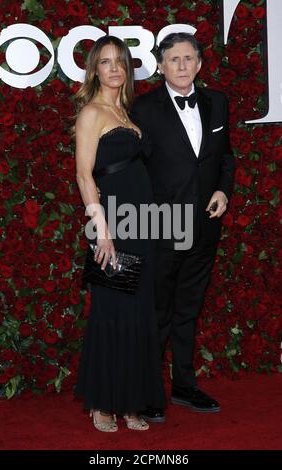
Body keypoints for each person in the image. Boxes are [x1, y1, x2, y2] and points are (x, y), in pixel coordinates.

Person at [132, 32, 235, 422]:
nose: (181, 66)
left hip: (206, 225)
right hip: (162, 224)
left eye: (188, 58)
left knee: (189, 310)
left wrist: (223, 192)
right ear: (160, 65)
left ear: (200, 64)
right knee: (157, 311)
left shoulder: (218, 103)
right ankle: (150, 391)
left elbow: (225, 157)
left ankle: (185, 386)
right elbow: (133, 168)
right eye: (173, 59)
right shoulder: (143, 109)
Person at [73, 35, 165, 432]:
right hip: (113, 225)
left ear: (127, 69)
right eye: (105, 62)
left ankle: (131, 402)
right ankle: (102, 404)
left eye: (120, 62)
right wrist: (102, 231)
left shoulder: (127, 113)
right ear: (94, 69)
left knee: (138, 314)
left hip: (142, 224)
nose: (114, 68)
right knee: (113, 313)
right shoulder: (92, 113)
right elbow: (83, 175)